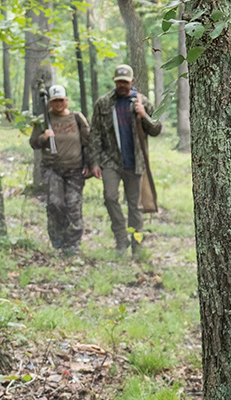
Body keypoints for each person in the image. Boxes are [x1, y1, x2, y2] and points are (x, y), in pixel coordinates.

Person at [91, 62, 162, 256]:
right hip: (110, 161)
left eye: (126, 82)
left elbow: (156, 130)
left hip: (135, 163)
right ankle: (121, 239)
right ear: (115, 81)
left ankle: (137, 244)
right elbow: (95, 133)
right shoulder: (103, 103)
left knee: (135, 206)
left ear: (132, 81)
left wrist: (144, 114)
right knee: (110, 197)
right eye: (119, 82)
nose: (123, 85)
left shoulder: (142, 101)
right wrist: (95, 162)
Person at [29, 83, 98, 253]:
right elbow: (33, 144)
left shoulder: (76, 118)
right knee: (55, 204)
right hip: (52, 169)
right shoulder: (43, 120)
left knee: (73, 207)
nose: (58, 104)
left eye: (61, 100)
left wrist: (90, 164)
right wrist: (43, 137)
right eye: (54, 101)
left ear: (66, 100)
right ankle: (57, 239)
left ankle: (72, 245)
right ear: (50, 102)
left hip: (75, 170)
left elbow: (88, 142)